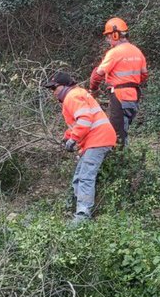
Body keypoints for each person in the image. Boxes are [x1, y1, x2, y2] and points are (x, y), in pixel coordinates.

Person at [43, 70, 116, 225]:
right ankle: (78, 209)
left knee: (85, 178)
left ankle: (83, 216)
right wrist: (68, 136)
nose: (53, 93)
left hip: (98, 140)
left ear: (63, 86)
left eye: (54, 88)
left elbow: (85, 119)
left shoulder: (72, 96)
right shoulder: (76, 95)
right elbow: (78, 123)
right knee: (78, 177)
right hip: (96, 140)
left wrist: (73, 139)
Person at [89, 16, 148, 147]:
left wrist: (93, 89)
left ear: (115, 35)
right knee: (123, 130)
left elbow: (98, 74)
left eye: (109, 36)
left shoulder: (114, 53)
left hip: (119, 97)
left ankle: (121, 163)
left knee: (116, 135)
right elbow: (144, 75)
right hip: (134, 97)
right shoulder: (138, 52)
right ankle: (123, 160)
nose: (108, 39)